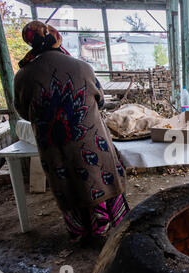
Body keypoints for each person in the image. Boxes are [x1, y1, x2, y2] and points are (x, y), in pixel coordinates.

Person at [14, 21, 130, 244]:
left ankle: (82, 234)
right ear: (56, 37)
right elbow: (101, 101)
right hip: (90, 139)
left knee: (67, 184)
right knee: (98, 178)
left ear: (29, 41)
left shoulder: (23, 76)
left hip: (53, 144)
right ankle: (107, 227)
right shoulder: (82, 67)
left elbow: (23, 112)